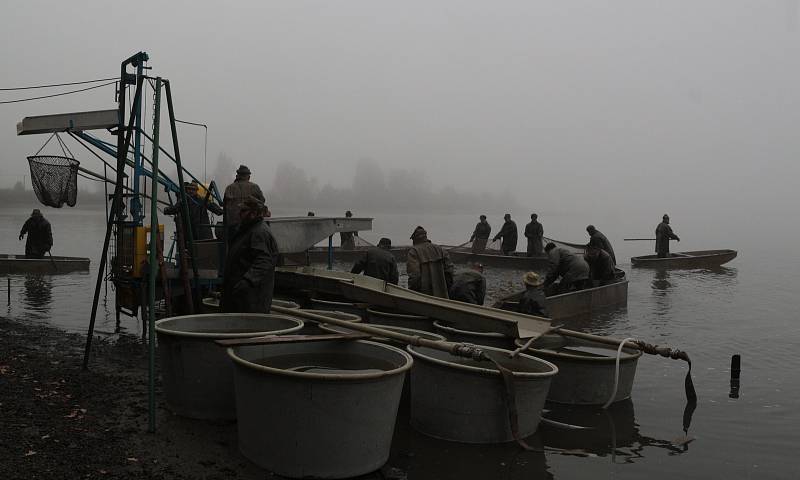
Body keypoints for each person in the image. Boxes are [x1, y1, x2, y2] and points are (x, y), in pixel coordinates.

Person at [222, 196, 279, 313]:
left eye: (243, 211)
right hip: (240, 297)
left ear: (253, 213)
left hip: (251, 299)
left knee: (247, 328)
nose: (239, 214)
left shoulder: (259, 233)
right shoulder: (248, 229)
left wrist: (246, 282)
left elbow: (264, 261)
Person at [406, 226, 455, 298]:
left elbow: (415, 276)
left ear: (415, 239)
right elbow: (450, 271)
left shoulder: (414, 251)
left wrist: (413, 293)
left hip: (423, 297)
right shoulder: (440, 249)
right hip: (443, 296)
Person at [223, 165, 265, 242]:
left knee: (234, 249)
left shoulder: (229, 188)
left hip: (233, 226)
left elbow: (225, 207)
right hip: (250, 226)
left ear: (238, 175)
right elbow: (262, 201)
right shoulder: (255, 187)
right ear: (248, 176)